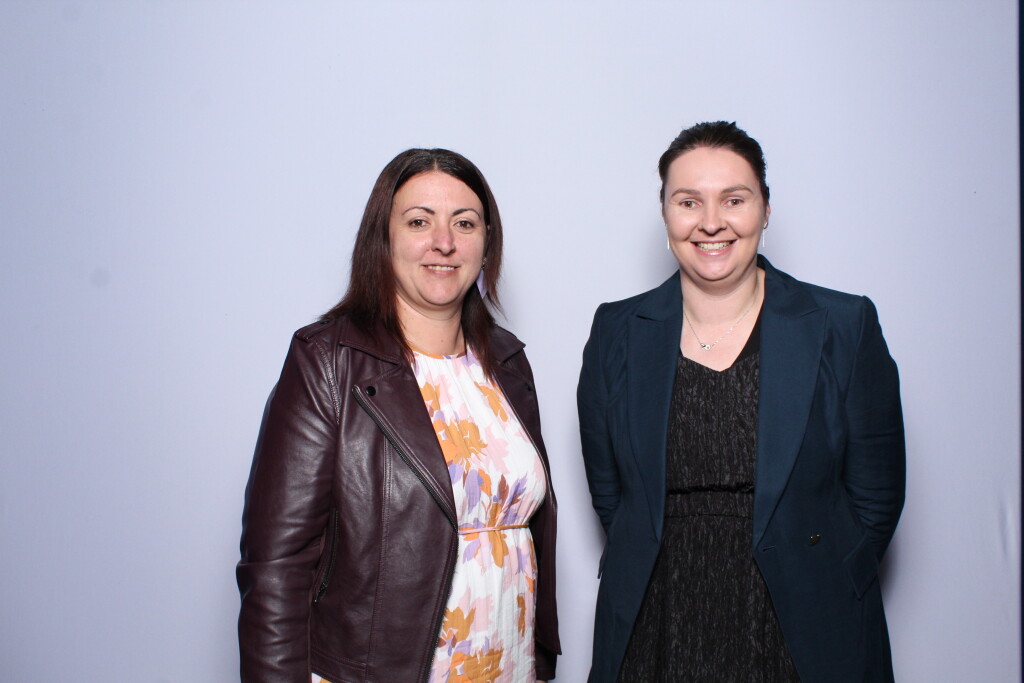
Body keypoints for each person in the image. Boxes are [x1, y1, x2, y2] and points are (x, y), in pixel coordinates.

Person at [577, 122, 905, 682]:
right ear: (665, 214)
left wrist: (820, 576)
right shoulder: (617, 330)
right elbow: (612, 495)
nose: (711, 222)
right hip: (657, 622)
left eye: (734, 199)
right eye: (688, 202)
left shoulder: (843, 325)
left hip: (803, 621)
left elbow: (877, 498)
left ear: (765, 210)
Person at [238, 148, 560, 683]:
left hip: (508, 665)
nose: (444, 242)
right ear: (383, 240)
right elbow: (275, 567)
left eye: (465, 223)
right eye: (419, 222)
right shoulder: (328, 362)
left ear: (487, 243)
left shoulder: (507, 363)